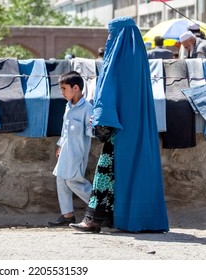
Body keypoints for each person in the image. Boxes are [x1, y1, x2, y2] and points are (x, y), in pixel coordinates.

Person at [69, 16, 169, 233]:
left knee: (106, 172)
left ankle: (93, 220)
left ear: (119, 36)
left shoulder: (117, 59)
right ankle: (136, 219)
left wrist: (101, 117)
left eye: (111, 34)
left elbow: (107, 90)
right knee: (133, 172)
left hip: (120, 130)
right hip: (137, 128)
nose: (108, 38)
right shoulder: (139, 57)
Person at [48, 71, 93, 226]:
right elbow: (65, 129)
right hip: (66, 151)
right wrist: (60, 145)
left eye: (64, 88)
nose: (62, 92)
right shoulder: (68, 107)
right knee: (61, 179)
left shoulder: (88, 108)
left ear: (75, 88)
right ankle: (67, 215)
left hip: (77, 153)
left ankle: (100, 208)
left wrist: (94, 124)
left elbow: (91, 132)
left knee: (74, 181)